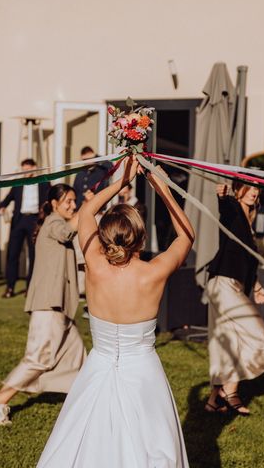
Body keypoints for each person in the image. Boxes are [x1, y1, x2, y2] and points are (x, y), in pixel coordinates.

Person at [36, 157, 194, 468]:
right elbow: (186, 236)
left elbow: (86, 214)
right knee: (151, 443)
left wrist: (119, 182)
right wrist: (161, 187)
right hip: (143, 372)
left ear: (105, 239)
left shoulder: (94, 264)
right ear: (142, 239)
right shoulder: (154, 272)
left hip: (99, 366)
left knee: (84, 441)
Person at [0, 183, 85, 426]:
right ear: (54, 204)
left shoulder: (54, 222)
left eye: (74, 200)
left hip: (60, 306)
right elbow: (66, 233)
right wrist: (89, 208)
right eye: (68, 201)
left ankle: (82, 407)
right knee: (38, 359)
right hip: (48, 305)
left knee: (76, 357)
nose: (73, 205)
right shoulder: (53, 222)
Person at [204, 181, 264, 414]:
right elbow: (224, 208)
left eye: (257, 188)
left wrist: (257, 286)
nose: (254, 191)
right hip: (222, 282)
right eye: (250, 186)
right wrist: (221, 196)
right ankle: (230, 391)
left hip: (231, 284)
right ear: (238, 189)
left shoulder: (249, 220)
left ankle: (214, 399)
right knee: (258, 335)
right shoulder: (233, 207)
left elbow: (247, 261)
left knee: (226, 341)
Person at [0, 158, 50, 298]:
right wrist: (2, 207)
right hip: (19, 220)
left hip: (35, 221)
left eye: (29, 169)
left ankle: (30, 288)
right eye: (24, 170)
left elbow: (49, 202)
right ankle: (10, 287)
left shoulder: (44, 182)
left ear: (35, 167)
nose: (26, 172)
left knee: (34, 255)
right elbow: (7, 199)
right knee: (13, 254)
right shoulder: (18, 184)